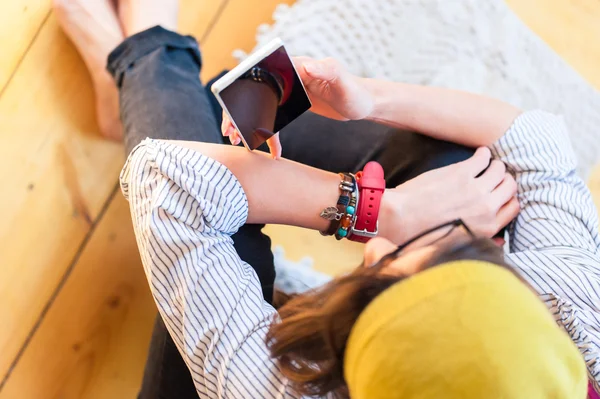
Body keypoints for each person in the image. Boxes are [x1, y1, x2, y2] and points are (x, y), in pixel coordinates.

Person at [53, 0, 600, 398]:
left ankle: (145, 58)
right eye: (458, 249)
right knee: (468, 170)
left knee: (234, 234)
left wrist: (382, 211)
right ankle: (141, 87)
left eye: (382, 266)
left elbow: (167, 178)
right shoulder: (576, 314)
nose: (374, 247)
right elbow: (536, 143)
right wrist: (369, 98)